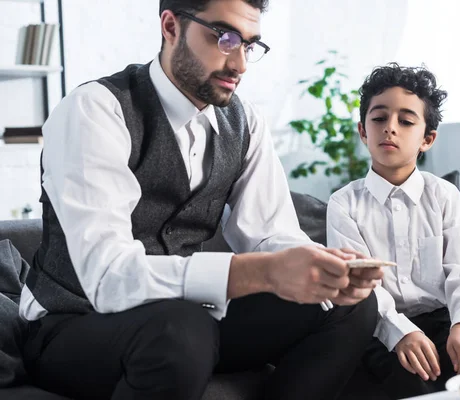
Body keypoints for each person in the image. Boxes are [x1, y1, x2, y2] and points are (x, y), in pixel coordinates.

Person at [19, 1, 383, 399]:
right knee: (181, 329)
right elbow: (108, 277)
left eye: (250, 45)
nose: (240, 64)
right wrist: (264, 273)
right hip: (74, 323)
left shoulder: (245, 122)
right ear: (171, 26)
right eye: (224, 38)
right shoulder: (96, 109)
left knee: (349, 307)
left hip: (189, 319)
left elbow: (269, 235)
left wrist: (324, 271)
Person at [327, 63, 460, 399]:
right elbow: (362, 287)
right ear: (363, 131)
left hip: (442, 319)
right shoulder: (343, 204)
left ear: (427, 139)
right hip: (377, 327)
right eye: (379, 118)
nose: (390, 128)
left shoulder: (444, 196)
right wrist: (400, 332)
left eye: (405, 121)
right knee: (409, 386)